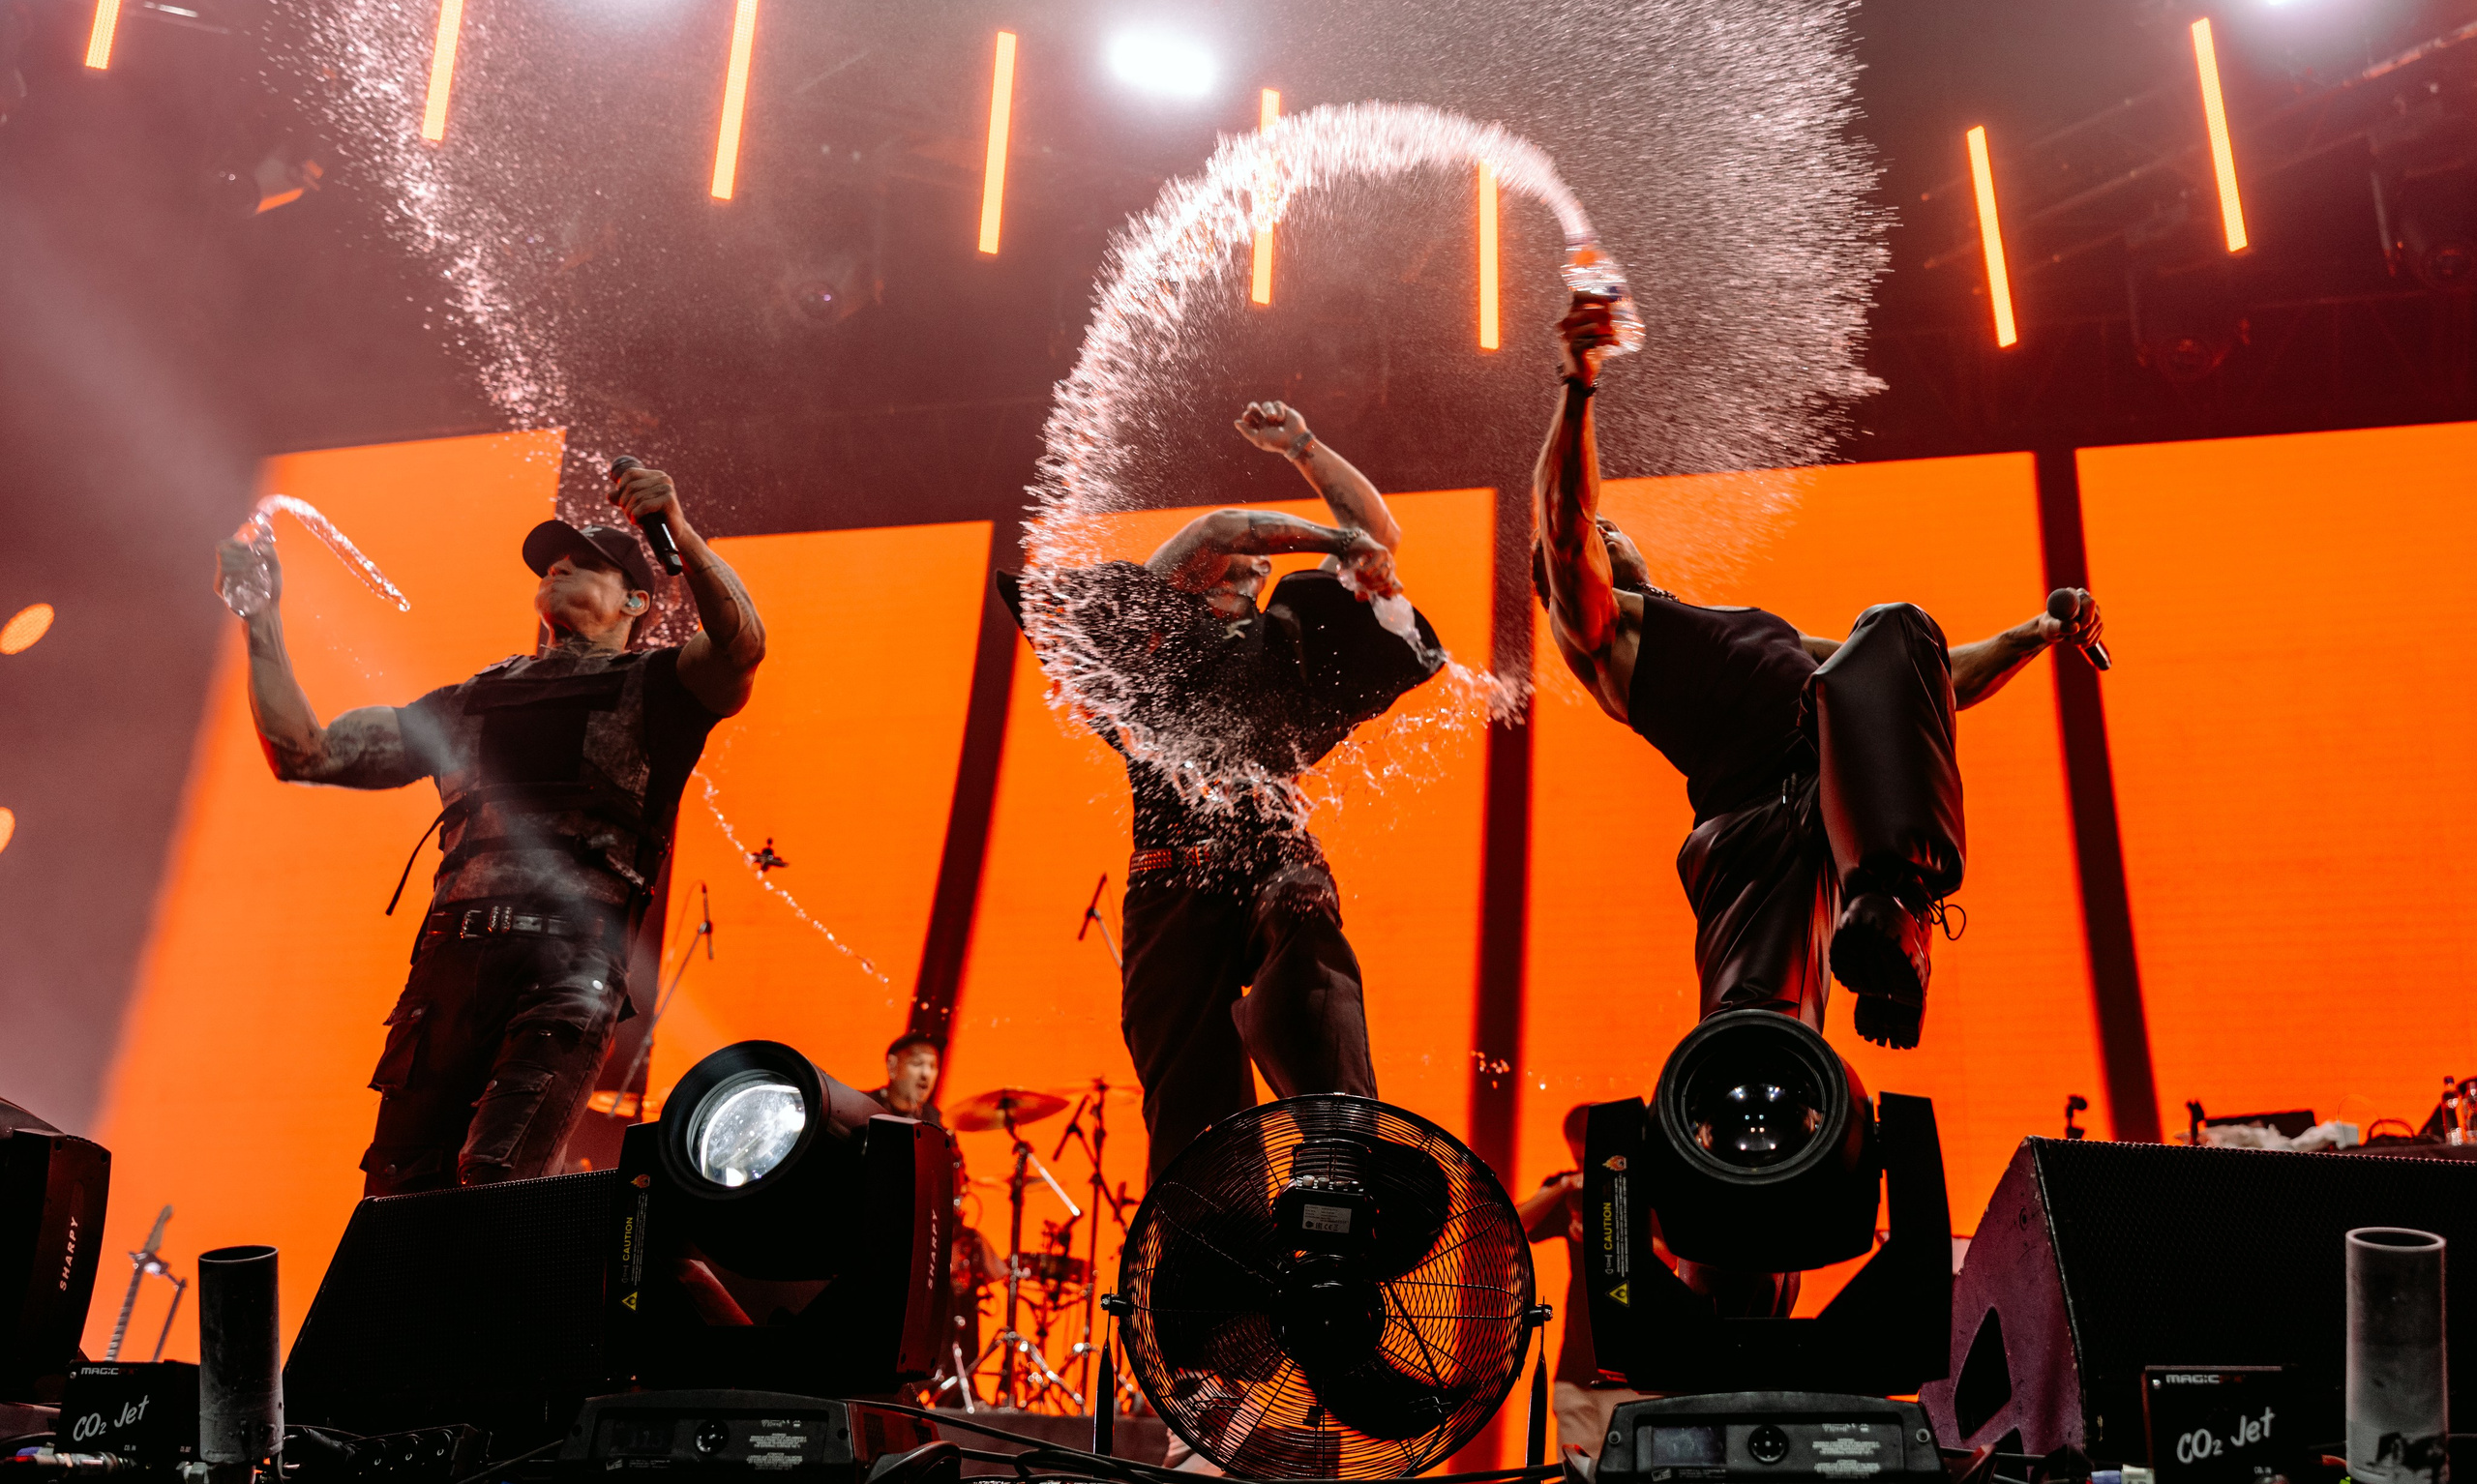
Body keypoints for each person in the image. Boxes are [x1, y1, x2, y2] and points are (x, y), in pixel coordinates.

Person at [1532, 296, 2102, 1050]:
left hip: (1839, 813)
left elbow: (1924, 683)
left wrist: (2041, 631)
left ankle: (1900, 916)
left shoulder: (1743, 630)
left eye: (1610, 525)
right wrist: (1578, 384)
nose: (1607, 528)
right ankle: (1747, 1143)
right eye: (1597, 531)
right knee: (1762, 1030)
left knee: (1900, 629)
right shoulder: (1604, 634)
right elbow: (1565, 525)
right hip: (1754, 829)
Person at [215, 461, 766, 1195]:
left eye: (585, 561)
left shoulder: (660, 690)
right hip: (447, 969)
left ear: (637, 597)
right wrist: (260, 614)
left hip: (567, 968)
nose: (558, 564)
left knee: (497, 1176)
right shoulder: (470, 701)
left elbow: (742, 647)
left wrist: (679, 530)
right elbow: (305, 751)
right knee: (399, 1194)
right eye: (551, 561)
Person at [1000, 401, 1444, 1184]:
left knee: (1302, 919)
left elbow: (1381, 536)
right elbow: (1219, 528)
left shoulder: (1294, 649)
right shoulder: (1148, 639)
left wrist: (1308, 448)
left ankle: (1340, 1150)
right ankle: (1212, 1263)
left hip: (1272, 853)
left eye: (1258, 566)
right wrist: (1340, 540)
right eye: (1244, 563)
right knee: (1192, 1116)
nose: (1250, 568)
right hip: (1172, 881)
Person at [1519, 1104, 1646, 1461]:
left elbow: (1670, 1256)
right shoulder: (1572, 1188)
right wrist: (1561, 1187)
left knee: (1631, 1476)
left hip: (1635, 1372)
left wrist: (1611, 1234)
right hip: (1576, 1369)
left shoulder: (1640, 1186)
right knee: (1574, 1479)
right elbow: (1515, 1221)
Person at [873, 1031, 945, 1126]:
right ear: (892, 1066)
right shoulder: (862, 1107)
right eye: (917, 1063)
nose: (926, 1073)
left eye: (932, 1066)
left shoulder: (936, 1122)